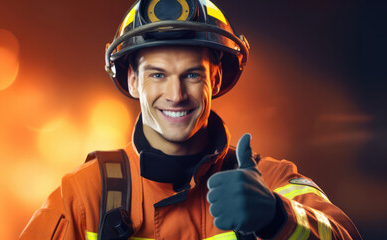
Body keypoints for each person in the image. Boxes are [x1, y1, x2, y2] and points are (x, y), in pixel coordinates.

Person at [19, 0, 362, 239]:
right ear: (132, 81)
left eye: (192, 75)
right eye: (157, 75)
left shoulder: (272, 183)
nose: (176, 94)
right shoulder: (85, 194)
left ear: (214, 80)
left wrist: (277, 217)